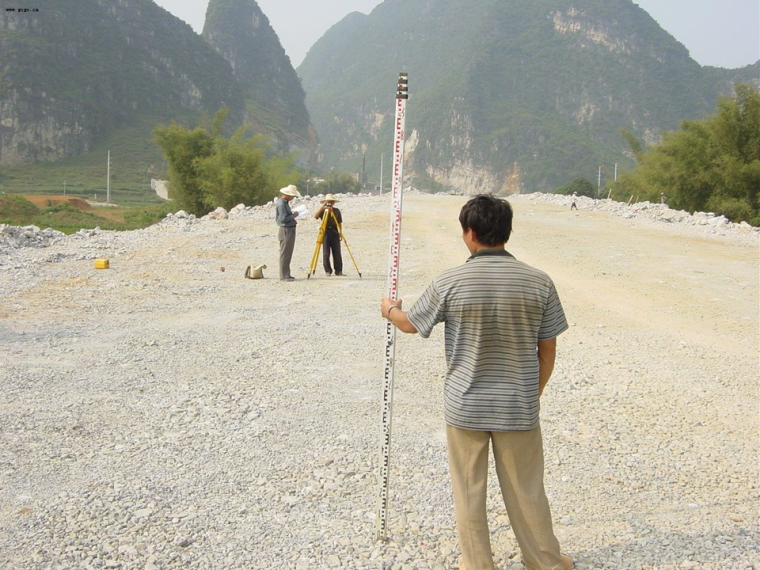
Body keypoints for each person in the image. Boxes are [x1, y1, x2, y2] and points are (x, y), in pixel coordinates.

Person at [380, 194, 573, 570]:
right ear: (506, 232)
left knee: (469, 492)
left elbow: (409, 324)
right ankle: (546, 562)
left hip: (465, 406)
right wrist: (531, 394)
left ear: (470, 233)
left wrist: (389, 309)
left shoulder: (450, 281)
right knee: (527, 490)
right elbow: (546, 351)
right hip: (518, 407)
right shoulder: (539, 282)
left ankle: (477, 565)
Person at [313, 193, 344, 276]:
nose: (329, 203)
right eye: (328, 202)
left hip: (334, 231)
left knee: (337, 252)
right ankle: (328, 270)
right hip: (325, 231)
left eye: (331, 202)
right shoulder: (323, 211)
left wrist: (340, 232)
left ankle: (339, 270)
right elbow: (315, 216)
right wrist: (323, 206)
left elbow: (339, 222)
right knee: (326, 253)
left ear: (333, 202)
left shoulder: (336, 211)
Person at [275, 184, 301, 281]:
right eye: (292, 196)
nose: (293, 198)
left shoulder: (284, 203)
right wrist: (293, 215)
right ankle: (284, 275)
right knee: (285, 253)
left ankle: (286, 274)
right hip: (286, 230)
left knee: (287, 252)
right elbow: (283, 218)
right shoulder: (281, 204)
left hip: (288, 229)